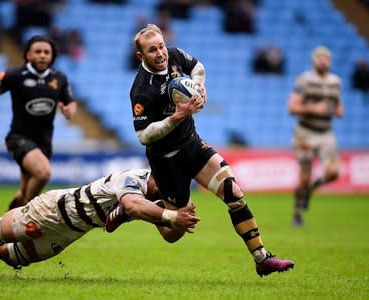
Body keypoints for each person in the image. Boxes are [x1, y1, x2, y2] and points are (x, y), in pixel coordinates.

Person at [120, 24, 293, 277]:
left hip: (192, 144)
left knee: (233, 192)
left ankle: (261, 258)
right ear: (141, 56)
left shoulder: (176, 55)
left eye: (161, 46)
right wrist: (175, 118)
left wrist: (199, 87)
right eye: (152, 50)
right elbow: (143, 135)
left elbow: (198, 67)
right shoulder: (141, 89)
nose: (160, 53)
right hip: (167, 162)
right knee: (174, 232)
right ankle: (144, 206)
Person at [0, 141, 200, 274]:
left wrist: (180, 219)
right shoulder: (132, 179)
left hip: (68, 232)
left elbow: (167, 233)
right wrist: (172, 215)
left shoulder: (154, 199)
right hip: (54, 211)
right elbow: (132, 206)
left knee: (10, 257)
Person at [0, 35, 77, 210]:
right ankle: (26, 219)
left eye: (46, 52)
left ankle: (6, 227)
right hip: (19, 137)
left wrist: (69, 109)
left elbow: (70, 102)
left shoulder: (59, 78)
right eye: (37, 52)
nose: (42, 55)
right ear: (28, 55)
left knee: (25, 191)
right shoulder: (16, 75)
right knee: (43, 173)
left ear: (52, 56)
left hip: (44, 142)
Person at [287, 46, 344, 227]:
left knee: (333, 172)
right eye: (320, 58)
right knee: (305, 175)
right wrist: (313, 108)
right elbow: (292, 107)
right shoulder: (304, 80)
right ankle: (297, 213)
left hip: (326, 132)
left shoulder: (335, 82)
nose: (323, 61)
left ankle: (310, 190)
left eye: (326, 58)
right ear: (314, 60)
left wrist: (338, 110)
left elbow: (337, 105)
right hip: (305, 132)